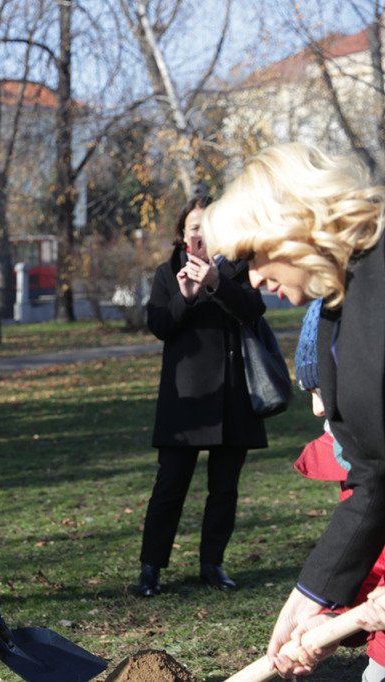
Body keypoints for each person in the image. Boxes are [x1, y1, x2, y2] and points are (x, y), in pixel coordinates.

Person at [201, 141, 385, 677]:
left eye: (252, 257)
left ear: (292, 226)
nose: (253, 279)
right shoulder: (333, 314)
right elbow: (373, 474)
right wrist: (310, 597)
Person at [136, 194, 269, 598]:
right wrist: (187, 296)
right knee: (169, 488)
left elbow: (253, 310)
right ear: (182, 233)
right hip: (186, 400)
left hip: (233, 396)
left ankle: (213, 564)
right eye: (195, 227)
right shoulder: (167, 272)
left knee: (224, 489)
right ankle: (150, 568)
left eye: (210, 227)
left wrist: (216, 283)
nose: (202, 234)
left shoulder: (240, 267)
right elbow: (160, 325)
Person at [291, 299, 385, 682]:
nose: (317, 408)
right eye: (310, 391)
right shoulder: (356, 457)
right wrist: (336, 616)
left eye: (322, 389)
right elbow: (373, 559)